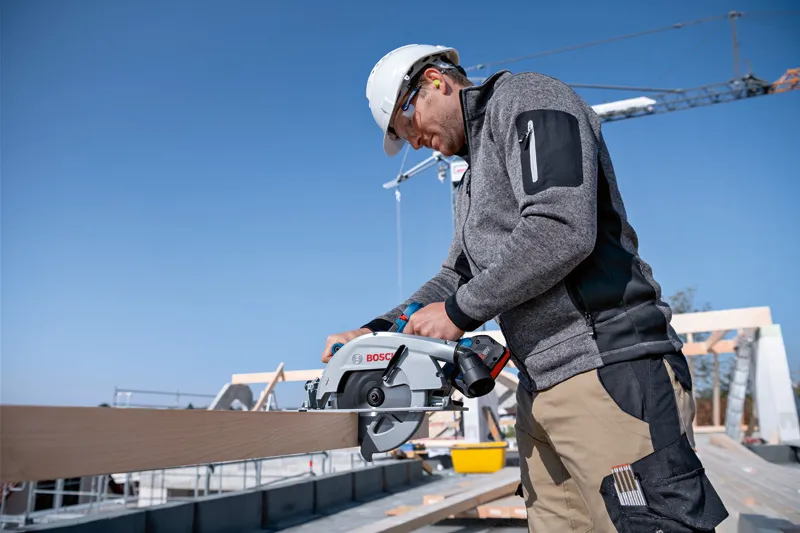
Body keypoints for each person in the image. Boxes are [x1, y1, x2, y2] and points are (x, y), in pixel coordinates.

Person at [323, 44, 729, 532]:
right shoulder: (471, 176)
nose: (413, 144)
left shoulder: (529, 99)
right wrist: (375, 334)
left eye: (407, 127)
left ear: (434, 81)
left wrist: (458, 313)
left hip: (606, 368)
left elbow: (560, 226)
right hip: (540, 390)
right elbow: (458, 276)